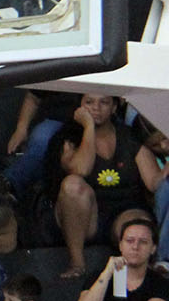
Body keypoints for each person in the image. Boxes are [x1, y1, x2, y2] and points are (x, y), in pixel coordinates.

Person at [54, 94, 162, 279]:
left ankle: (140, 280)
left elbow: (153, 183)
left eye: (104, 102)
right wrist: (88, 127)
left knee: (136, 227)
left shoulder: (128, 135)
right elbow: (81, 169)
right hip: (86, 215)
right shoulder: (69, 136)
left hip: (126, 209)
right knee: (72, 185)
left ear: (114, 107)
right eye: (89, 102)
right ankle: (77, 263)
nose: (96, 107)